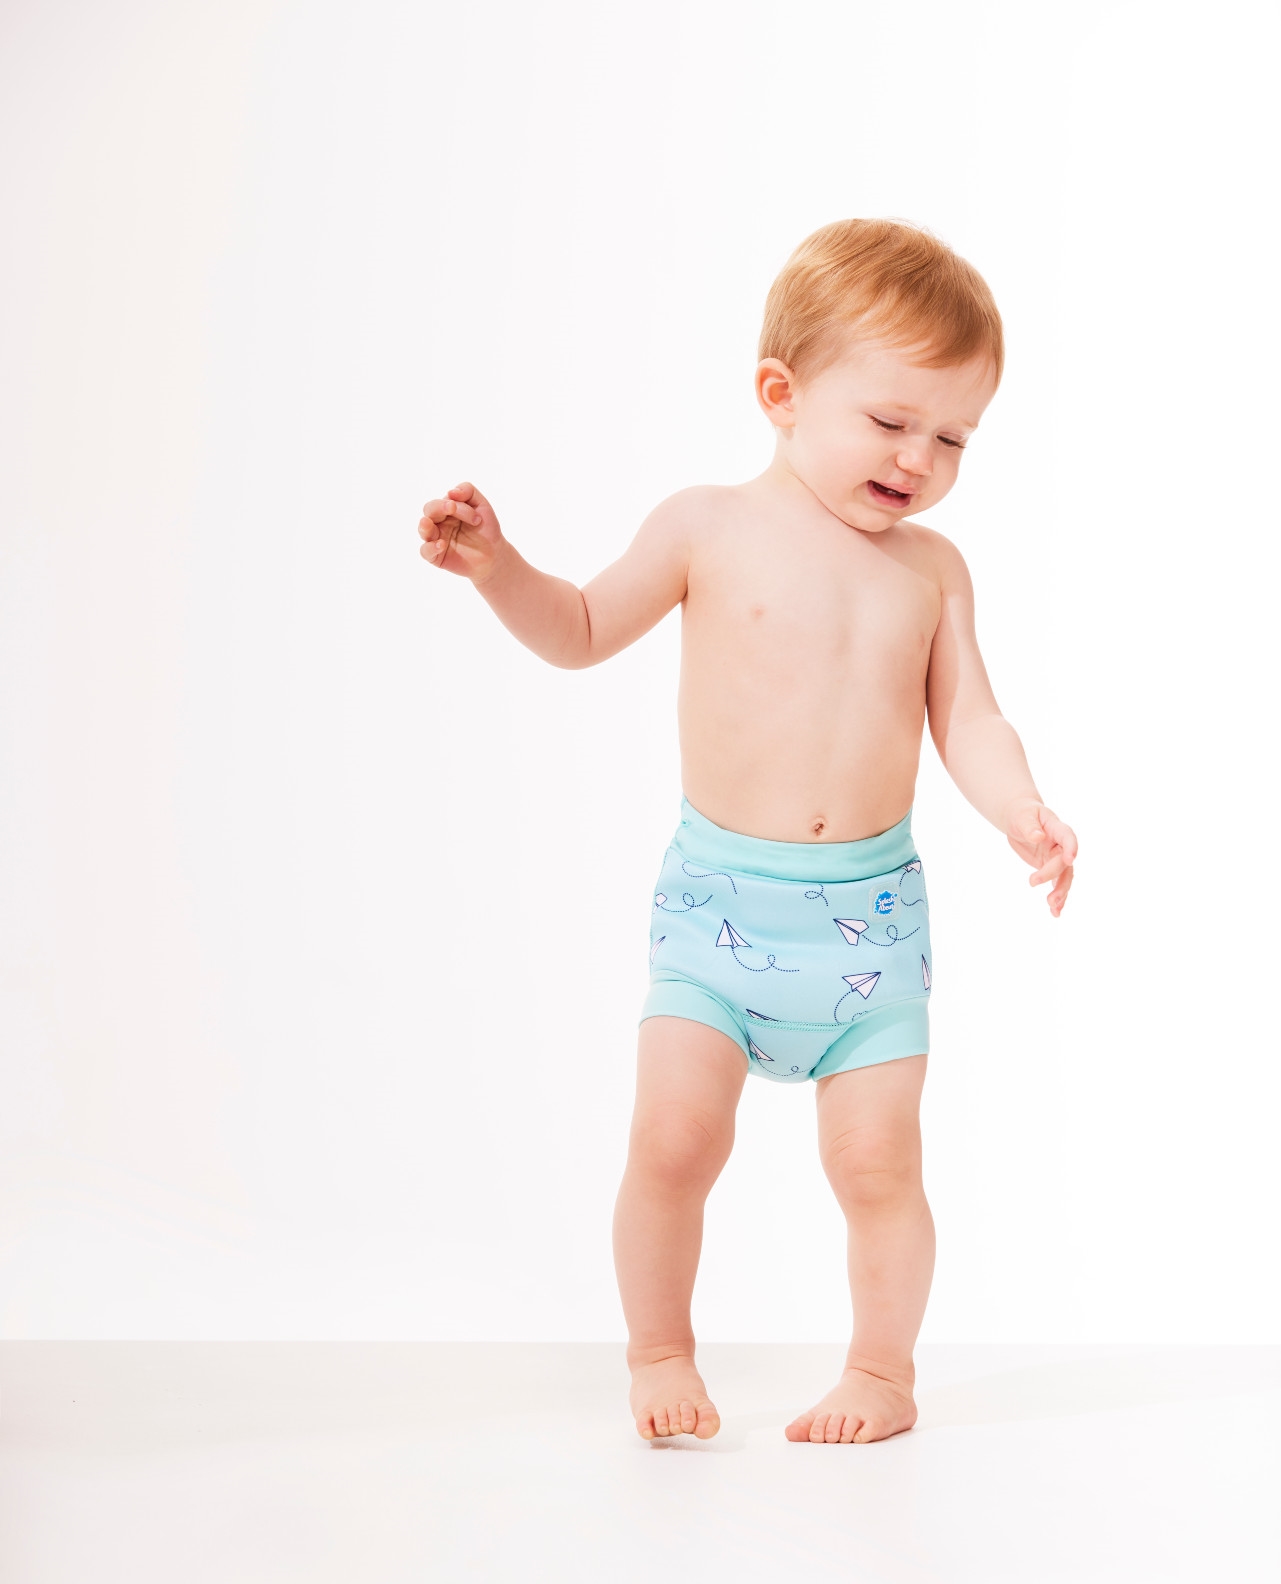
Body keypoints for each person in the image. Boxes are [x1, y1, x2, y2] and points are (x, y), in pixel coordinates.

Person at [417, 218, 1077, 1446]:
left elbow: (971, 718)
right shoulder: (704, 526)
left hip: (869, 929)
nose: (920, 459)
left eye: (953, 438)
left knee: (879, 1166)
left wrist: (1019, 808)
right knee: (673, 1139)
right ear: (782, 393)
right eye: (892, 421)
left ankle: (881, 1373)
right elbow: (578, 628)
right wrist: (500, 567)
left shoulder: (933, 571)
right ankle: (659, 1352)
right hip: (718, 913)